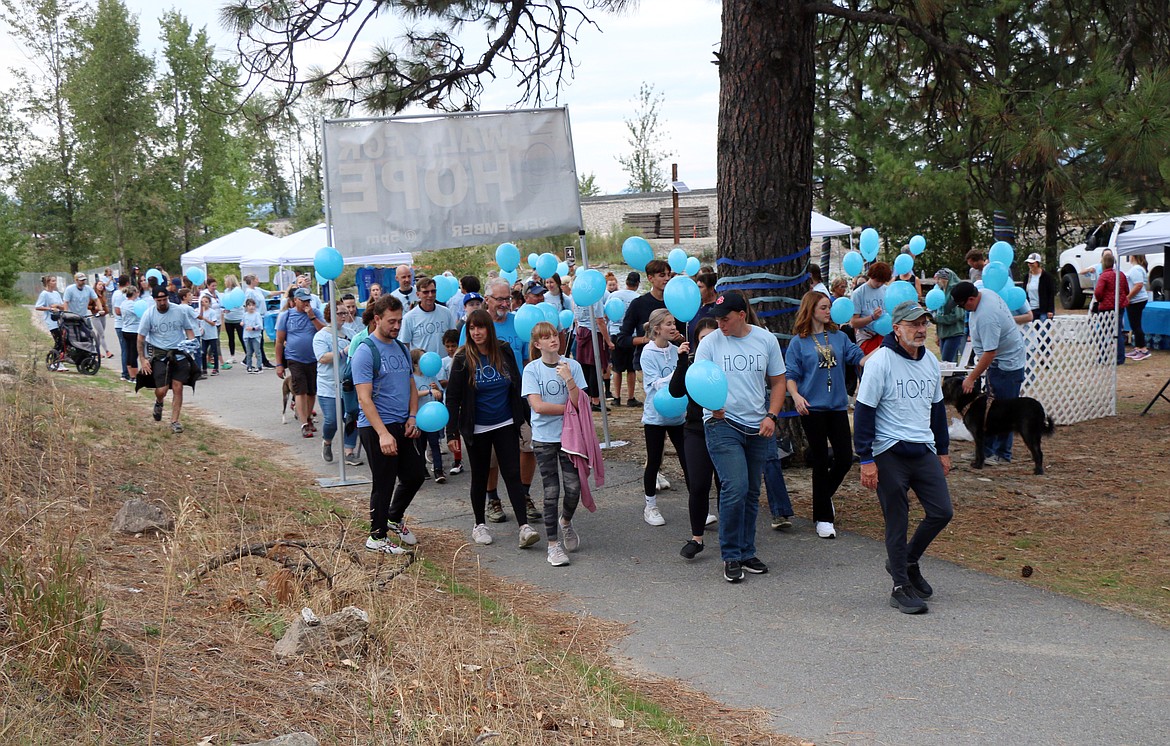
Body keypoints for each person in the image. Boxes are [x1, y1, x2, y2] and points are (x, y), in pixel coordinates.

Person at [853, 300, 952, 614]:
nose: (921, 330)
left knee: (942, 511)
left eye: (923, 323)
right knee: (898, 519)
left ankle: (907, 561)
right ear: (897, 329)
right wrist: (866, 459)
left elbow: (937, 411)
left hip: (922, 448)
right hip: (888, 451)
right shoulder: (880, 362)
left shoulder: (930, 362)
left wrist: (943, 450)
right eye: (913, 324)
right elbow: (864, 413)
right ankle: (899, 586)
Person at [695, 292, 786, 584]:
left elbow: (778, 380)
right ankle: (731, 554)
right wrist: (711, 404)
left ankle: (747, 551)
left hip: (758, 423)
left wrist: (771, 415)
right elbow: (698, 380)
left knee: (750, 492)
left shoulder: (765, 340)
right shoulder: (709, 343)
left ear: (742, 315)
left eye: (726, 318)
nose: (720, 324)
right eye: (717, 318)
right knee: (735, 486)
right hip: (722, 422)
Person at [444, 309, 538, 548]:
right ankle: (479, 524)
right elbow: (453, 398)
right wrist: (452, 432)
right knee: (480, 475)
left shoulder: (503, 350)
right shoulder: (463, 359)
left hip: (506, 423)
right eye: (472, 328)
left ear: (489, 329)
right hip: (477, 428)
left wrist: (525, 418)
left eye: (480, 327)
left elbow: (516, 384)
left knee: (512, 474)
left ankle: (523, 527)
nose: (476, 332)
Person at [786, 291, 866, 539]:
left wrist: (882, 352)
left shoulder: (840, 337)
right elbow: (790, 376)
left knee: (843, 458)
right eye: (823, 307)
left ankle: (821, 499)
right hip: (812, 408)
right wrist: (797, 397)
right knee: (820, 460)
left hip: (837, 406)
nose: (827, 311)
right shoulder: (799, 342)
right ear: (811, 310)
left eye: (829, 307)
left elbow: (858, 358)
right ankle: (823, 517)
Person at [352, 294, 425, 555]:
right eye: (391, 321)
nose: (396, 326)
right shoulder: (365, 351)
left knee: (415, 475)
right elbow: (364, 398)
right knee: (383, 482)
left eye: (399, 321)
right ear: (377, 319)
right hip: (376, 426)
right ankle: (377, 536)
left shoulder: (402, 348)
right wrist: (383, 434)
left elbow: (411, 386)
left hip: (401, 423)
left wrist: (413, 416)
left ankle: (393, 517)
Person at [522, 321, 588, 566]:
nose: (553, 340)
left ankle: (566, 522)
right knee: (551, 491)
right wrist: (569, 411)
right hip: (543, 439)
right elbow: (538, 406)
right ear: (537, 344)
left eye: (555, 336)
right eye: (546, 337)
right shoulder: (532, 370)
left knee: (574, 488)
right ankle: (553, 546)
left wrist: (569, 379)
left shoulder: (573, 366)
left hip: (570, 438)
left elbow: (581, 402)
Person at [952, 281, 1028, 464]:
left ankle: (1002, 454)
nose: (963, 309)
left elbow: (990, 353)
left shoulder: (988, 316)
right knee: (989, 411)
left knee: (1004, 412)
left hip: (1006, 366)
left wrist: (971, 378)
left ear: (971, 299)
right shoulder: (984, 293)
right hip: (998, 365)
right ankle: (985, 451)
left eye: (963, 305)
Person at [671, 317, 720, 559]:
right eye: (703, 339)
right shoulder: (691, 365)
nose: (708, 343)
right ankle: (696, 538)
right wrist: (681, 360)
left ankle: (731, 536)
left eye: (713, 337)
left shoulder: (726, 364)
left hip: (725, 429)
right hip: (695, 429)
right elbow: (675, 390)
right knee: (699, 484)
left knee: (726, 485)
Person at [639, 308, 689, 527]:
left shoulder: (676, 348)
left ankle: (698, 506)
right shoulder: (647, 353)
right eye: (668, 324)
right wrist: (678, 367)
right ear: (657, 328)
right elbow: (654, 385)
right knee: (654, 460)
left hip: (679, 414)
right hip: (655, 416)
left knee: (688, 460)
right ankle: (650, 506)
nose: (673, 327)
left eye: (674, 323)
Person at [136, 285, 198, 434]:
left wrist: (191, 344)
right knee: (162, 390)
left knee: (178, 387)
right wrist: (143, 359)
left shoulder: (179, 311)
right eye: (159, 300)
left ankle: (175, 421)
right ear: (154, 300)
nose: (163, 303)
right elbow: (140, 338)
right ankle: (159, 402)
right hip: (160, 355)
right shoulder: (149, 314)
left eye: (165, 299)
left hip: (179, 354)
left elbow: (189, 330)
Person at [276, 287, 327, 437]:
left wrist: (311, 316)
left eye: (308, 300)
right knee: (300, 390)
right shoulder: (286, 316)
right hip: (294, 358)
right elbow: (279, 341)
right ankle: (304, 423)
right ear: (294, 301)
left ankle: (308, 417)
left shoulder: (315, 313)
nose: (306, 303)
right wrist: (279, 364)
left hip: (313, 358)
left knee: (312, 391)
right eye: (302, 300)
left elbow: (324, 331)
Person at [619, 260, 672, 406]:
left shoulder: (675, 301)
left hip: (672, 361)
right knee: (655, 405)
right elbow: (623, 338)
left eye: (669, 275)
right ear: (650, 278)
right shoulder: (639, 304)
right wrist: (646, 340)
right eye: (662, 275)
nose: (667, 279)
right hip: (646, 362)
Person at [314, 304, 356, 464]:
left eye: (346, 313)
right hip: (329, 386)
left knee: (352, 417)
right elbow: (322, 357)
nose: (344, 316)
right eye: (340, 313)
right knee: (332, 419)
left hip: (348, 384)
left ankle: (349, 450)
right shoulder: (321, 336)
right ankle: (327, 441)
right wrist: (342, 352)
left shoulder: (351, 333)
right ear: (330, 314)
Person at [571, 280, 612, 412]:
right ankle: (595, 399)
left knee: (585, 368)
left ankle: (587, 398)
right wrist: (608, 340)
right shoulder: (595, 298)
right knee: (595, 367)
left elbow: (576, 319)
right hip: (593, 333)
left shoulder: (576, 297)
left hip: (581, 332)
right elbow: (600, 321)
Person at [410, 348, 446, 482]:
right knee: (420, 445)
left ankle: (438, 470)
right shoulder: (412, 378)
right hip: (419, 418)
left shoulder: (431, 377)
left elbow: (440, 394)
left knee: (435, 444)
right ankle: (421, 469)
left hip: (433, 418)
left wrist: (436, 390)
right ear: (415, 364)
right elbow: (412, 394)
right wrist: (429, 391)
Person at [400, 276, 456, 355]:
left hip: (444, 364)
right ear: (418, 294)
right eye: (426, 292)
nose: (430, 295)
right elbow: (405, 345)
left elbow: (454, 338)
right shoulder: (409, 318)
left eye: (433, 291)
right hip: (422, 365)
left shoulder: (446, 313)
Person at [608, 272, 641, 405]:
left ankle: (616, 397)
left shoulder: (614, 295)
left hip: (616, 333)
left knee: (617, 368)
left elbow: (607, 314)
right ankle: (630, 397)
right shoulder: (638, 298)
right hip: (631, 336)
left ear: (626, 282)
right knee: (631, 369)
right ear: (637, 284)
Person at [1091, 253, 1130, 366]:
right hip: (1119, 306)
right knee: (1118, 332)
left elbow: (1098, 292)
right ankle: (1120, 357)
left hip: (1106, 308)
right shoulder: (1121, 275)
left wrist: (1100, 299)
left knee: (1103, 333)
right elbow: (1126, 290)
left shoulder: (1103, 276)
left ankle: (1103, 357)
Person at [850, 260, 891, 355]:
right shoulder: (858, 293)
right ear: (871, 276)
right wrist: (872, 317)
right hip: (867, 337)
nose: (880, 284)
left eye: (883, 281)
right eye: (878, 281)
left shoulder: (887, 290)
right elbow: (853, 322)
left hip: (885, 335)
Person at [440, 328, 463, 475]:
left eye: (453, 345)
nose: (450, 349)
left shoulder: (463, 358)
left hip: (464, 400)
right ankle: (457, 460)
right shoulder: (443, 362)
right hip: (450, 400)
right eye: (447, 346)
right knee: (454, 430)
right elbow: (441, 381)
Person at [932, 269, 966, 364]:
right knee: (946, 363)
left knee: (947, 363)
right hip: (943, 333)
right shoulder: (940, 292)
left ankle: (958, 379)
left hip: (954, 332)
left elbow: (957, 315)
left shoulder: (955, 293)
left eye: (939, 279)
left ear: (945, 279)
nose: (937, 282)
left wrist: (938, 319)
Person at [35, 275, 66, 366]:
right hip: (51, 321)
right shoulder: (44, 294)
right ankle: (53, 361)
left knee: (63, 341)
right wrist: (49, 308)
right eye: (53, 281)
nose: (55, 282)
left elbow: (62, 306)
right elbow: (38, 306)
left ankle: (58, 360)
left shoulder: (56, 293)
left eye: (55, 281)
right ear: (48, 283)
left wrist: (57, 306)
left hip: (59, 320)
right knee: (58, 341)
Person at [1125, 255, 1151, 360]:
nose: (1129, 257)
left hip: (1136, 300)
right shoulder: (1138, 268)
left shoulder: (1136, 269)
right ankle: (1138, 347)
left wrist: (1128, 297)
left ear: (1134, 257)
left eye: (1130, 256)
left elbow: (1138, 285)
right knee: (1135, 325)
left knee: (1136, 325)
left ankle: (1143, 349)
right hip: (1137, 300)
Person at [686, 272, 719, 346]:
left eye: (700, 287)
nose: (697, 290)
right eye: (696, 287)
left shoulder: (717, 309)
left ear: (711, 288)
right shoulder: (695, 305)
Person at [1023, 253, 1056, 322]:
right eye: (1028, 263)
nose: (1029, 264)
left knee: (1043, 331)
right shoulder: (1027, 277)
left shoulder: (1047, 277)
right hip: (1030, 310)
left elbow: (1051, 294)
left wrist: (1050, 310)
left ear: (1038, 263)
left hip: (1043, 310)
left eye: (1032, 263)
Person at [221, 275, 246, 367]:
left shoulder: (238, 291)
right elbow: (224, 303)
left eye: (226, 281)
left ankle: (247, 354)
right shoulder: (226, 291)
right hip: (228, 318)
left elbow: (240, 304)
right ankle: (232, 355)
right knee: (230, 338)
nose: (225, 283)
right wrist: (225, 309)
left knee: (241, 337)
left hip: (238, 317)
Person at [118, 286, 141, 380]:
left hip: (125, 329)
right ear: (134, 293)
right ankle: (134, 376)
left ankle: (129, 374)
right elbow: (140, 314)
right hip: (133, 330)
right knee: (134, 354)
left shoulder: (123, 303)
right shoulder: (133, 305)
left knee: (128, 352)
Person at [196, 294, 222, 376]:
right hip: (204, 335)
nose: (204, 303)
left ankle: (216, 368)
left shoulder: (212, 312)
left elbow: (213, 323)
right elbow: (199, 322)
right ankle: (204, 368)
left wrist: (205, 319)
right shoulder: (199, 312)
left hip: (212, 335)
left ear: (209, 303)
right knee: (203, 352)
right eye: (202, 302)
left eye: (206, 302)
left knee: (214, 351)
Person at [111, 275, 131, 379]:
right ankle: (125, 373)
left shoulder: (119, 293)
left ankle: (128, 371)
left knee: (128, 349)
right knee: (125, 349)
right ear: (127, 283)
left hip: (125, 325)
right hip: (121, 325)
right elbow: (118, 311)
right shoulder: (119, 295)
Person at [242, 298, 265, 373]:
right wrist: (242, 323)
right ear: (246, 306)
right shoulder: (245, 315)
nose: (251, 307)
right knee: (248, 352)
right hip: (247, 336)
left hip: (255, 336)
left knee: (257, 352)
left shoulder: (257, 315)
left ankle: (259, 366)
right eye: (249, 305)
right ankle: (249, 366)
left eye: (252, 305)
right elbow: (243, 322)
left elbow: (260, 326)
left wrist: (253, 328)